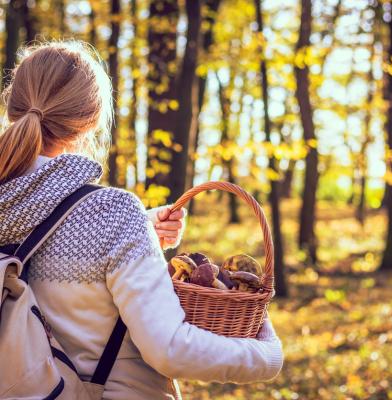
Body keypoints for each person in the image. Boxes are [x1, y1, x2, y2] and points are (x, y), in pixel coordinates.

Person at [0, 41, 283, 400]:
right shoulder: (112, 215)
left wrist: (141, 230)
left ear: (13, 108)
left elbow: (41, 252)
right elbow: (170, 348)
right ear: (90, 121)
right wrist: (266, 356)